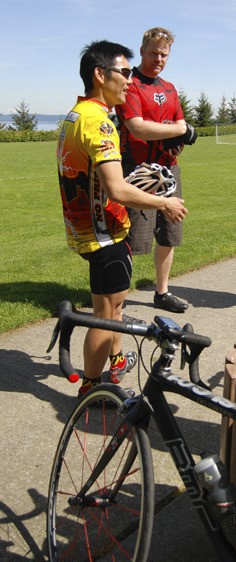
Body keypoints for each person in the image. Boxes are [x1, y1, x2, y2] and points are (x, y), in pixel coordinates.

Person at [56, 40, 188, 398]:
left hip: (90, 230)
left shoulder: (75, 115)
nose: (130, 82)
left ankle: (114, 363)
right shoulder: (99, 124)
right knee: (106, 312)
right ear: (101, 75)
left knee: (114, 304)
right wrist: (164, 203)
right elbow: (117, 189)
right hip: (104, 235)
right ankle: (94, 388)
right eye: (125, 73)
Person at [116, 27, 197, 314]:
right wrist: (180, 130)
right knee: (133, 239)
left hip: (170, 169)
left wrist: (179, 139)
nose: (158, 59)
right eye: (153, 53)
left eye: (164, 54)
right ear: (141, 51)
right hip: (138, 171)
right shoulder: (130, 85)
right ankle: (117, 297)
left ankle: (162, 292)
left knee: (169, 235)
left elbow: (183, 128)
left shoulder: (170, 88)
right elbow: (137, 127)